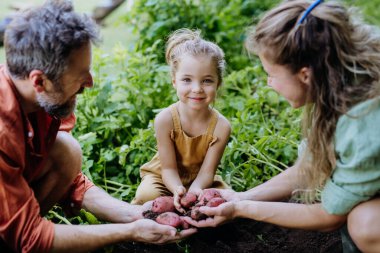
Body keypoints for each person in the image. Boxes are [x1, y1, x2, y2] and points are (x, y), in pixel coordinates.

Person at [184, 1, 380, 252]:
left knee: (366, 224)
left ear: (305, 75)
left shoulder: (363, 123)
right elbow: (309, 165)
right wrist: (240, 197)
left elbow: (329, 216)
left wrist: (241, 209)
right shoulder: (342, 77)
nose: (268, 83)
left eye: (272, 75)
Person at [0, 1, 195, 252]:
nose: (90, 83)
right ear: (40, 80)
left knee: (65, 152)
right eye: (81, 76)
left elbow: (72, 184)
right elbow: (29, 237)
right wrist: (129, 232)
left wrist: (134, 214)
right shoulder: (4, 131)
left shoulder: (35, 98)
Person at [132, 28, 231, 212]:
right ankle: (171, 205)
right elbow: (168, 169)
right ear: (174, 82)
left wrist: (194, 192)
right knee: (147, 195)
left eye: (207, 81)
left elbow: (207, 172)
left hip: (201, 180)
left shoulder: (221, 126)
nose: (197, 89)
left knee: (226, 200)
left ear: (218, 83)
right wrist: (178, 190)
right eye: (187, 80)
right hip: (164, 177)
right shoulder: (165, 119)